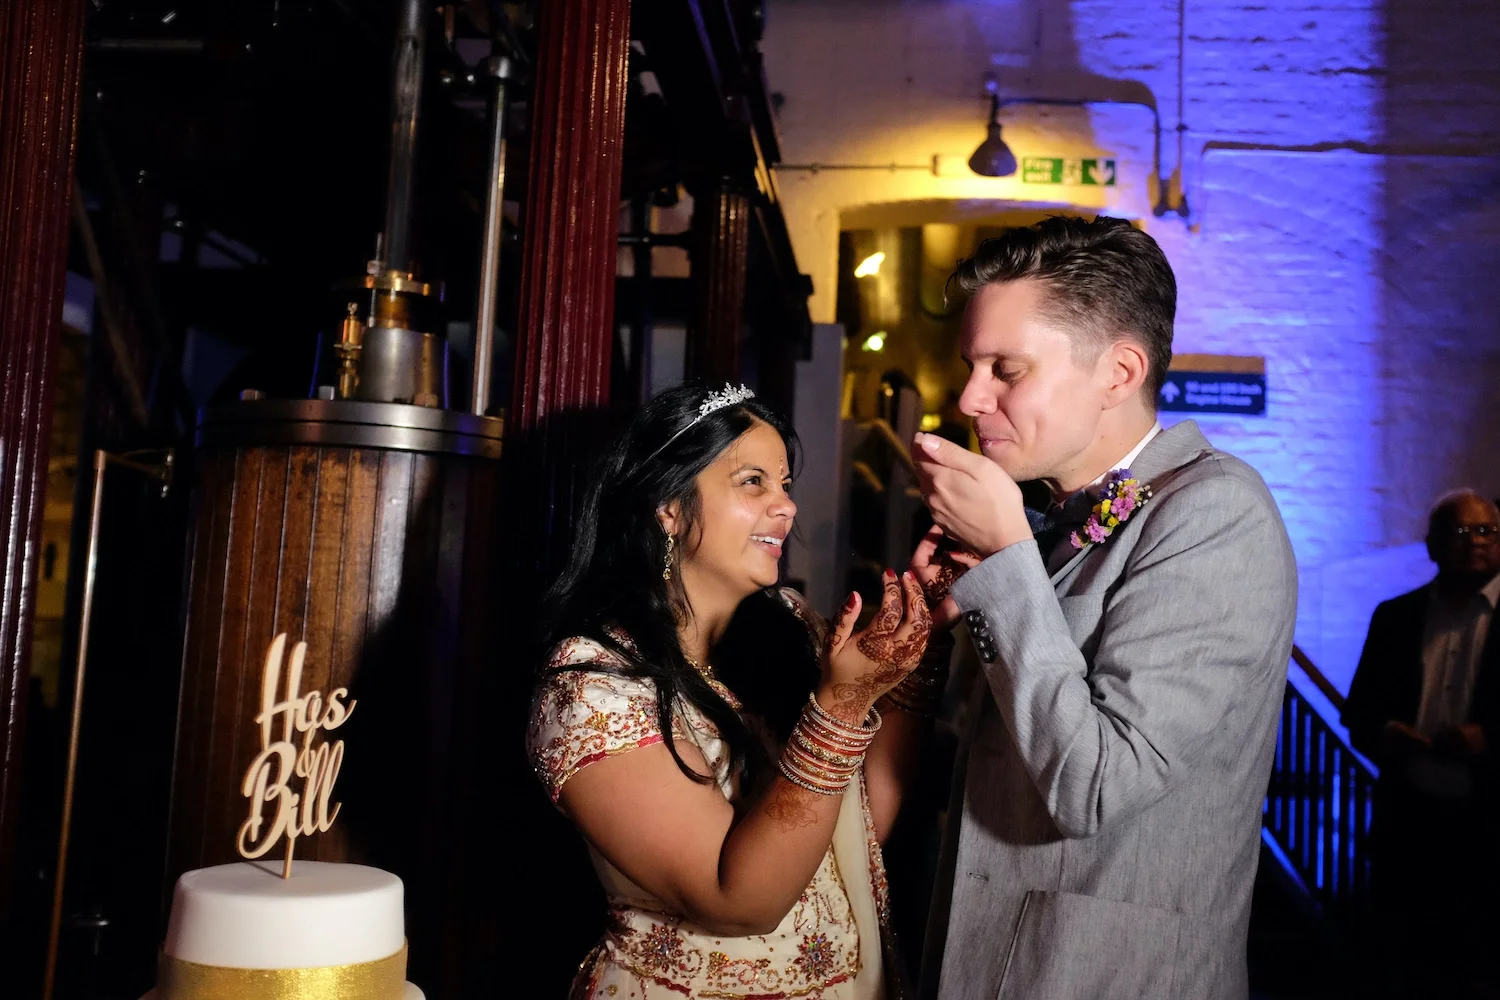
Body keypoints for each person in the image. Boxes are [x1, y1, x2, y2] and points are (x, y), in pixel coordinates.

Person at [907, 216, 1298, 999]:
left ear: (1119, 372)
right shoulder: (1048, 516)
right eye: (971, 367)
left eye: (1006, 370)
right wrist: (930, 628)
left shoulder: (1218, 511)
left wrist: (1008, 562)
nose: (970, 398)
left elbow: (1096, 786)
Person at [526, 382, 946, 999]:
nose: (787, 506)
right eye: (753, 482)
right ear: (668, 507)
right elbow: (740, 901)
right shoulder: (592, 688)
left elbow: (857, 834)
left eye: (785, 484)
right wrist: (841, 706)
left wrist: (922, 637)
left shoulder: (792, 630)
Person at [1341, 489, 1500, 996]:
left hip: (1489, 830)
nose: (1474, 542)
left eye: (1486, 530)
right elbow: (1359, 712)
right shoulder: (1396, 617)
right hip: (1409, 825)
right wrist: (1386, 733)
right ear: (1431, 545)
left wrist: (1487, 739)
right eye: (1459, 531)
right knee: (1405, 969)